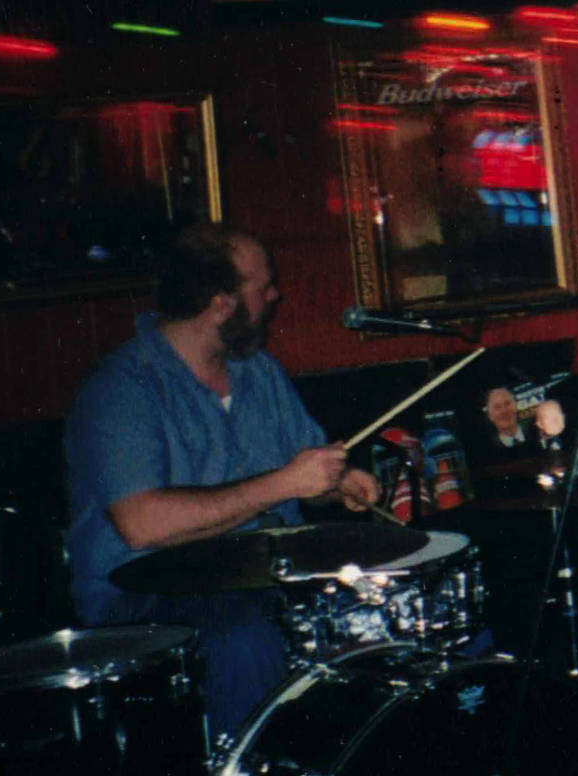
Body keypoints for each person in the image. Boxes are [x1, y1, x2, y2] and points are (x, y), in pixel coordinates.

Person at [64, 222, 380, 737]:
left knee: (398, 609)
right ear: (220, 304)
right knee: (245, 637)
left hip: (264, 577)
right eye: (263, 287)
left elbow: (300, 477)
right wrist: (283, 484)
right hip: (143, 600)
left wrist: (335, 485)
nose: (275, 296)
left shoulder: (259, 372)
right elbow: (142, 524)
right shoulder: (122, 389)